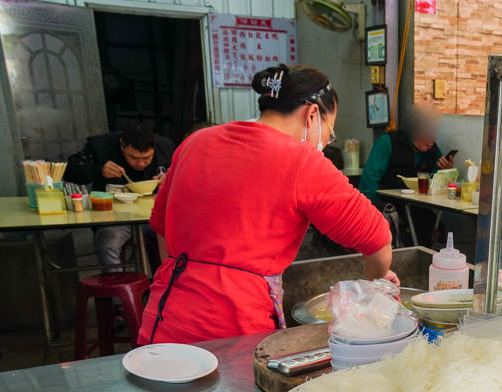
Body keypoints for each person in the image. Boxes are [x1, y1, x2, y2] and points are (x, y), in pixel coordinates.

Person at [136, 64, 397, 345]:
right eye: (329, 132)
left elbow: (161, 228)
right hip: (234, 331)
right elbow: (378, 239)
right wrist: (379, 277)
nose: (325, 141)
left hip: (163, 320)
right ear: (312, 114)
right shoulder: (301, 160)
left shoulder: (194, 143)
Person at [64, 122, 175, 266]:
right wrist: (98, 170)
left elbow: (189, 176)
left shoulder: (167, 148)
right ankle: (116, 279)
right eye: (133, 158)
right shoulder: (101, 147)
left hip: (156, 216)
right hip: (114, 220)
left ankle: (168, 279)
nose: (141, 164)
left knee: (177, 240)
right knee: (107, 245)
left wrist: (171, 177)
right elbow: (70, 171)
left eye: (147, 158)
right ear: (122, 145)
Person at [358, 102, 454, 202]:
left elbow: (437, 184)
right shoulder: (388, 142)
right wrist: (374, 206)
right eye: (428, 132)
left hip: (420, 205)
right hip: (389, 204)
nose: (432, 141)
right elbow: (369, 181)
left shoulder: (433, 149)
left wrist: (446, 171)